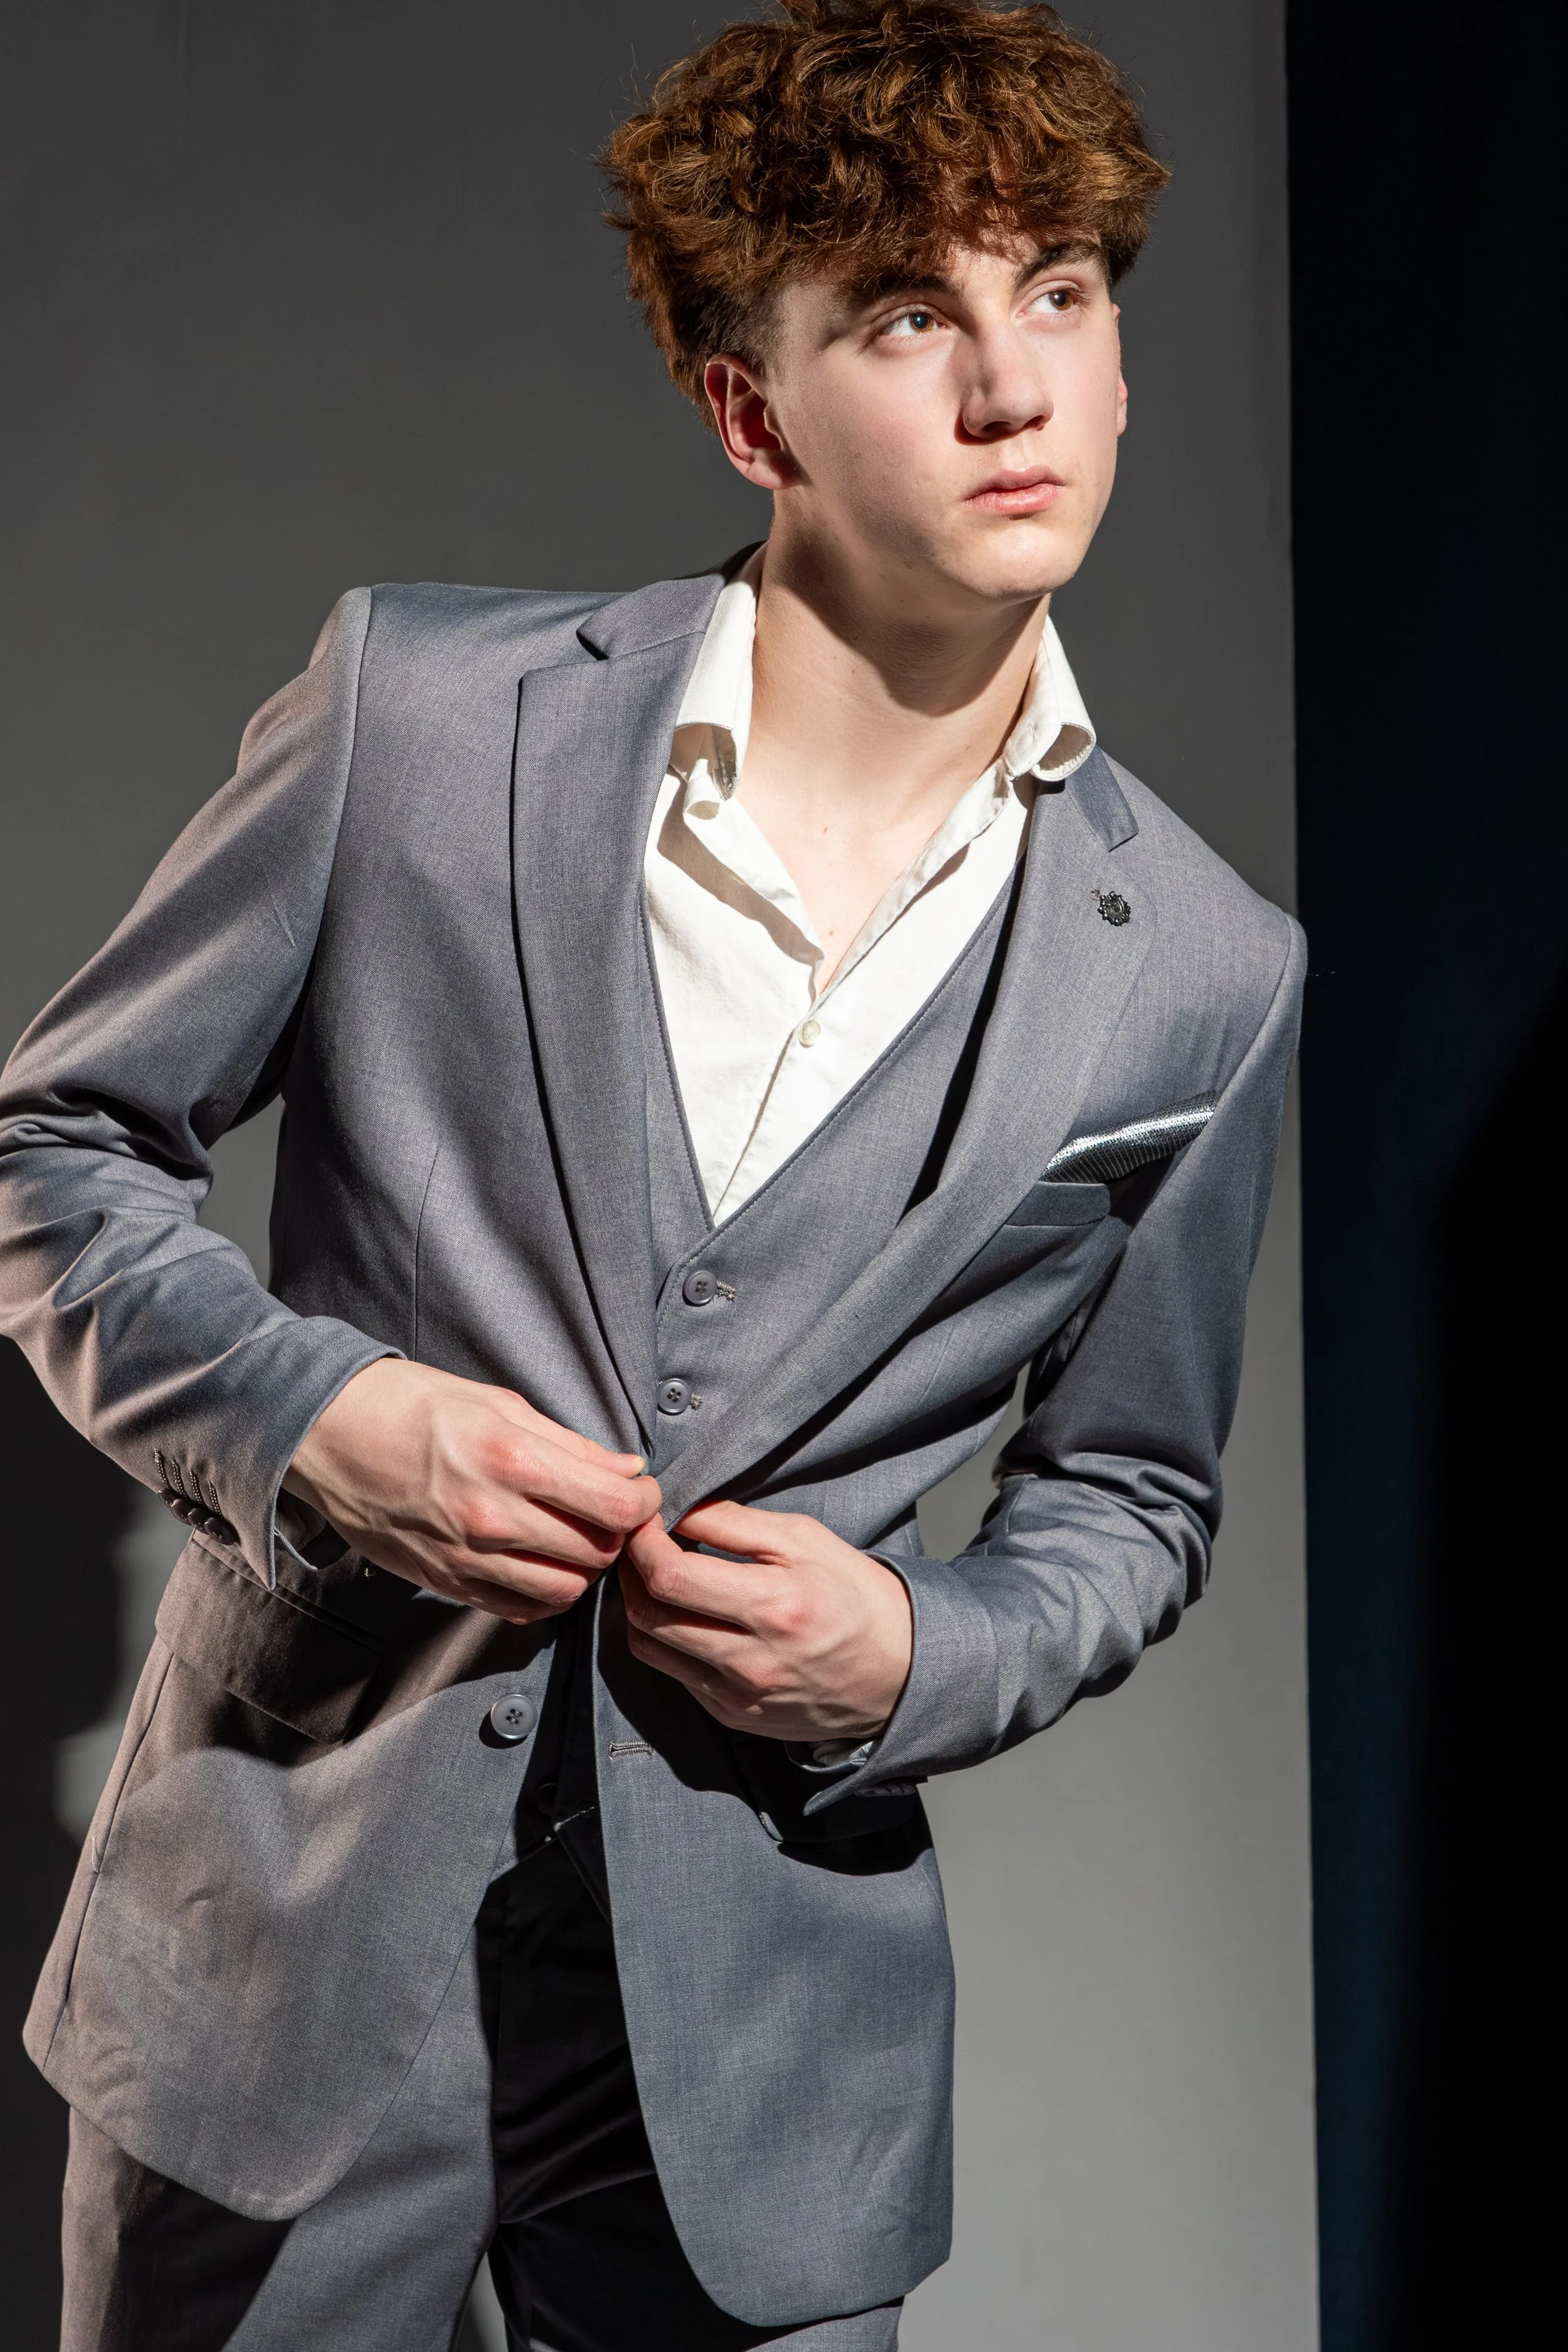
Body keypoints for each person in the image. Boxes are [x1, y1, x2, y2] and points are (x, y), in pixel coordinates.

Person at [0, 3, 1303, 2346]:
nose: (1012, 388)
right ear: (750, 409)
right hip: (286, 1970)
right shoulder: (420, 718)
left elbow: (1132, 1495)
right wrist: (316, 1422)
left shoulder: (1203, 973)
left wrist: (916, 1651)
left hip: (764, 2053)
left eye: (1060, 296)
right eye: (909, 316)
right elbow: (54, 1147)